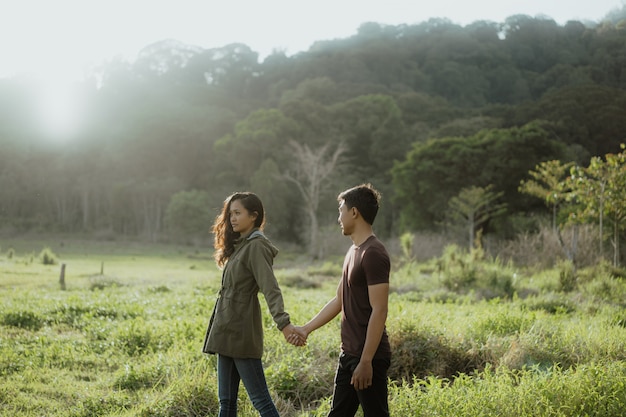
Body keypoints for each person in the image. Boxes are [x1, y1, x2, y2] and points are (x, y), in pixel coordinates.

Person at [289, 183, 391, 417]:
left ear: (354, 212)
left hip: (368, 357)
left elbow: (380, 310)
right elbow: (339, 299)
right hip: (349, 354)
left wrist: (366, 361)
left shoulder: (373, 253)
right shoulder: (353, 251)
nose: (339, 218)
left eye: (341, 210)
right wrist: (306, 329)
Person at [203, 191, 304, 417]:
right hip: (226, 328)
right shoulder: (241, 245)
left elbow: (270, 288)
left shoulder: (257, 246)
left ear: (254, 216)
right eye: (230, 214)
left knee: (261, 401)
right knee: (226, 403)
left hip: (241, 330)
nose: (232, 219)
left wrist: (284, 324)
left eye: (238, 213)